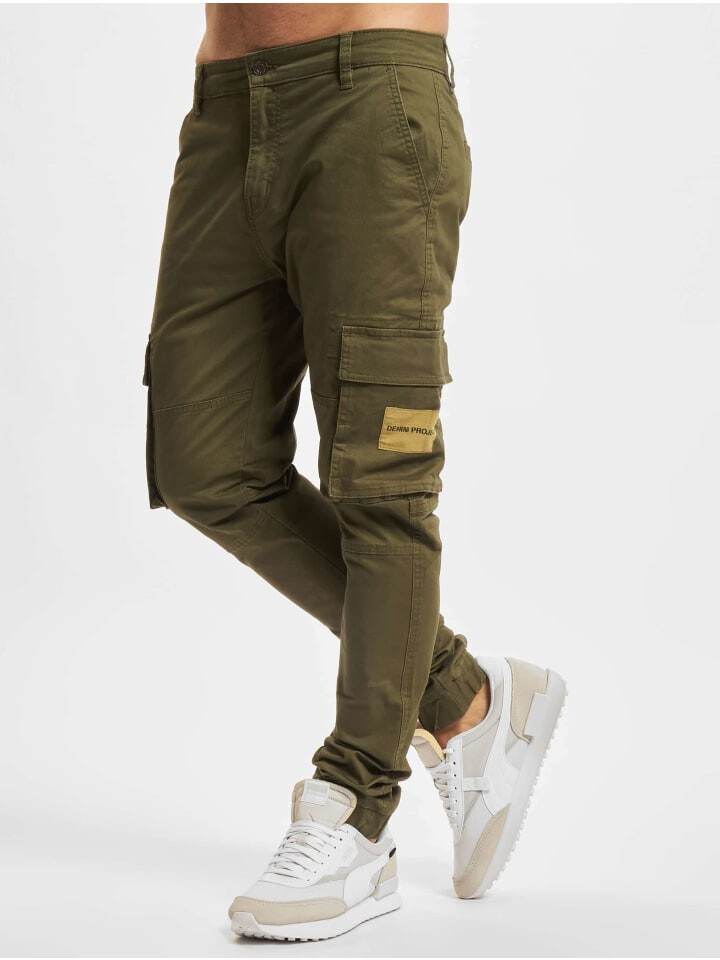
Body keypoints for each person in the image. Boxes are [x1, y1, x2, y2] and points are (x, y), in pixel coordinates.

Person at [142, 2, 567, 942]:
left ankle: (357, 810)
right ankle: (462, 693)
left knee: (383, 481)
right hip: (226, 108)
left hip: (370, 99)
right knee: (204, 466)